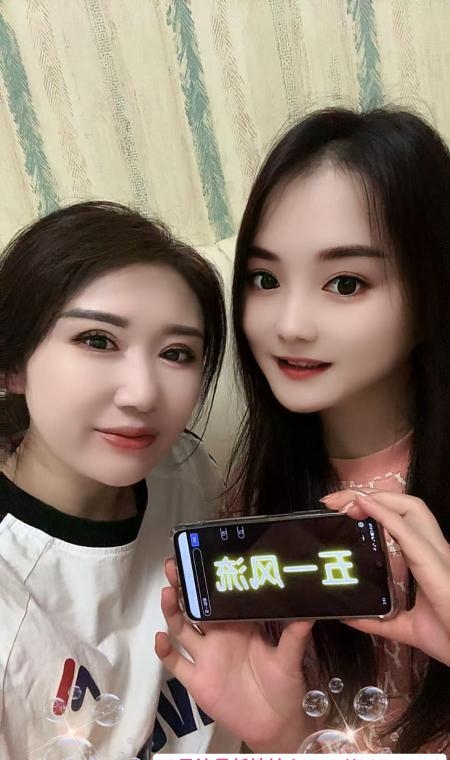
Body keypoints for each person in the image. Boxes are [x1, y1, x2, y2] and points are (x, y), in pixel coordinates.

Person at [155, 107, 450, 754]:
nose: (289, 324)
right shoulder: (256, 490)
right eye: (265, 279)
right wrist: (279, 737)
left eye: (345, 283)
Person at [0, 201, 238, 759]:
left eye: (176, 353)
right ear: (12, 364)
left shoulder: (185, 468)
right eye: (98, 340)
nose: (143, 394)